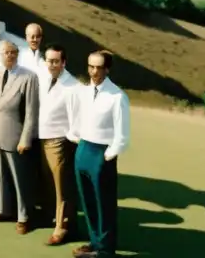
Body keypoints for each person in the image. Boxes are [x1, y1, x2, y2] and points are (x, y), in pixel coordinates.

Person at [67, 50, 130, 258]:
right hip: (83, 149)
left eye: (98, 67)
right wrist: (78, 141)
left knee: (104, 204)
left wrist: (107, 156)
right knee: (88, 201)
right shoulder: (83, 92)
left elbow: (122, 135)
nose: (94, 71)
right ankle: (94, 243)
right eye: (90, 66)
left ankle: (105, 250)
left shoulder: (117, 96)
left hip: (101, 154)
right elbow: (76, 121)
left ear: (107, 69)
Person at [0, 40, 40, 235]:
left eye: (13, 52)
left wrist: (25, 139)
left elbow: (31, 111)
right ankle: (5, 211)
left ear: (17, 54)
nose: (9, 55)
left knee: (20, 179)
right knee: (1, 177)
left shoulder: (29, 76)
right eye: (6, 52)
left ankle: (24, 217)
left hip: (16, 136)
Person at [38, 44, 80, 247]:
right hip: (42, 138)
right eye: (49, 60)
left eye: (56, 61)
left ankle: (61, 228)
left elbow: (75, 121)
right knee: (48, 184)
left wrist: (68, 143)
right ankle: (57, 219)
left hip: (59, 141)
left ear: (64, 62)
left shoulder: (73, 86)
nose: (52, 65)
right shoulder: (43, 77)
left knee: (61, 187)